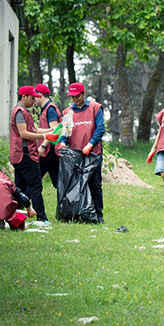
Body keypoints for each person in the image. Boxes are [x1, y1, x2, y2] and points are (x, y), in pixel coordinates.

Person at [58, 82, 106, 223]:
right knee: (76, 184)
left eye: (77, 96)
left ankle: (98, 215)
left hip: (93, 153)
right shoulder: (68, 112)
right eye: (72, 97)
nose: (74, 99)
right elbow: (66, 132)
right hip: (75, 154)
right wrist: (62, 142)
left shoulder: (95, 108)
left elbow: (100, 129)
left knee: (95, 184)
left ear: (83, 94)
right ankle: (77, 213)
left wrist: (90, 144)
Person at [10, 86, 57, 224]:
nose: (34, 100)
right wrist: (45, 135)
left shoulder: (25, 112)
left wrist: (52, 130)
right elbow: (23, 133)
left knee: (19, 187)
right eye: (32, 97)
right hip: (25, 155)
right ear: (23, 97)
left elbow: (35, 129)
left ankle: (15, 216)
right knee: (36, 186)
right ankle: (42, 218)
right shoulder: (19, 112)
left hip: (21, 155)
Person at [34, 83, 62, 188]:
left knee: (34, 180)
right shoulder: (46, 109)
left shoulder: (50, 109)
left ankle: (21, 203)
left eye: (35, 96)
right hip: (50, 150)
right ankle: (64, 204)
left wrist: (43, 146)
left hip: (49, 150)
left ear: (40, 96)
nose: (33, 99)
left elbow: (55, 131)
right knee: (58, 183)